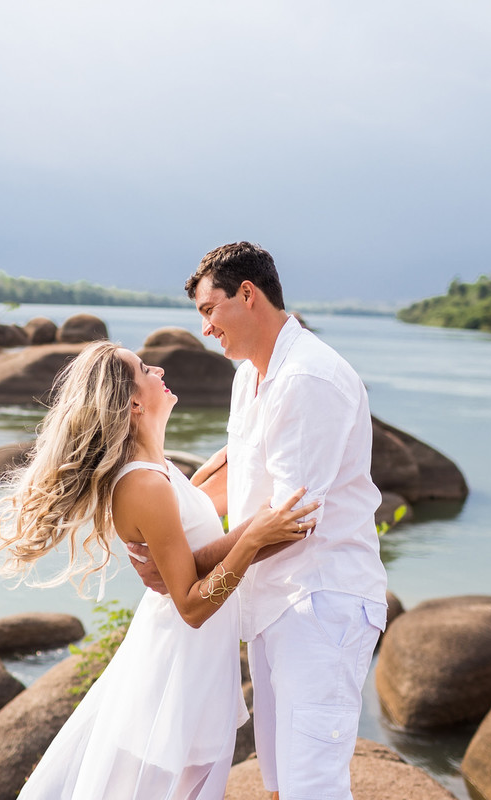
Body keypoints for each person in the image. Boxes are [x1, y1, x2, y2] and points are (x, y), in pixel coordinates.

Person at [0, 340, 318, 800]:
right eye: (145, 368)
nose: (159, 368)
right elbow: (190, 604)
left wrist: (213, 482)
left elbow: (187, 539)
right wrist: (252, 540)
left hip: (196, 660)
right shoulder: (144, 482)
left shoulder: (157, 469)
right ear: (132, 402)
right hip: (177, 662)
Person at [130, 242, 388, 800]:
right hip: (275, 602)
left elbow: (291, 519)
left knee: (311, 786)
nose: (204, 330)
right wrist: (165, 528)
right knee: (278, 780)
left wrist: (187, 567)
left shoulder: (307, 378)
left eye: (208, 310)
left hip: (321, 600)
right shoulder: (250, 376)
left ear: (247, 295)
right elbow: (235, 467)